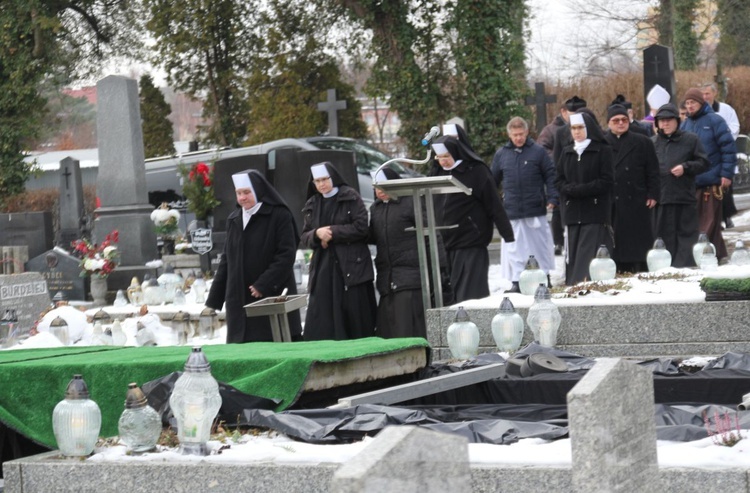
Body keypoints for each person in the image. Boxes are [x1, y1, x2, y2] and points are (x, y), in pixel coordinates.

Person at [206, 170, 302, 343]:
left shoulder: (279, 215)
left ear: (258, 191)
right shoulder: (234, 218)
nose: (242, 198)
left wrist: (264, 284)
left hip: (268, 296)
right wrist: (214, 299)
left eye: (246, 192)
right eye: (238, 193)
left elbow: (286, 255)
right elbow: (227, 260)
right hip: (238, 297)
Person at [430, 135, 514, 302]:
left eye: (446, 156)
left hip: (471, 242)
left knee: (470, 297)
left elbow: (494, 203)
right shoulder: (437, 172)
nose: (443, 161)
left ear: (456, 153)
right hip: (445, 244)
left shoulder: (476, 171)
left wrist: (507, 235)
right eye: (439, 157)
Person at [300, 162, 377, 341]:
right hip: (323, 267)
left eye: (324, 180)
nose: (321, 184)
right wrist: (317, 234)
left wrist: (332, 232)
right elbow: (304, 235)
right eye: (317, 181)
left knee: (354, 318)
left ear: (332, 178)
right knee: (323, 318)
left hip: (350, 266)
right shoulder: (313, 202)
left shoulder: (350, 197)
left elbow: (361, 228)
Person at [368, 168, 449, 338]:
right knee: (388, 330)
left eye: (383, 187)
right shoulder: (376, 209)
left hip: (411, 278)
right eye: (376, 187)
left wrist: (440, 270)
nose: (380, 192)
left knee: (409, 329)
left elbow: (431, 235)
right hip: (387, 279)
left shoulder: (411, 203)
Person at [491, 116, 558, 293]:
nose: (518, 138)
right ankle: (517, 280)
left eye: (521, 134)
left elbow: (550, 175)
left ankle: (544, 276)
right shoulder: (502, 154)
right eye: (515, 135)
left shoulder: (538, 152)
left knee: (539, 246)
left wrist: (552, 197)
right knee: (514, 248)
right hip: (512, 210)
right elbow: (492, 181)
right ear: (509, 135)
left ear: (527, 133)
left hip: (535, 208)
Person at [555, 112, 615, 285]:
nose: (576, 132)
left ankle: (584, 284)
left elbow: (607, 180)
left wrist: (582, 190)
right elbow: (558, 179)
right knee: (573, 252)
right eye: (573, 128)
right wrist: (569, 189)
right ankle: (573, 284)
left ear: (588, 128)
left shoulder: (602, 150)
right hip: (573, 211)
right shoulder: (567, 151)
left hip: (594, 210)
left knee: (587, 252)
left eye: (580, 127)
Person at [681, 88, 737, 262]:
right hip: (693, 181)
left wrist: (726, 174)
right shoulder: (685, 124)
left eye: (693, 102)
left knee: (709, 221)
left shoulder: (715, 120)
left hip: (712, 180)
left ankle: (705, 256)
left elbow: (728, 148)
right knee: (703, 221)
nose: (690, 106)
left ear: (701, 103)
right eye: (687, 103)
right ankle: (718, 254)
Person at [603, 104, 660, 273]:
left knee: (639, 238)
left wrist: (653, 194)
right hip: (613, 199)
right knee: (617, 238)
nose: (620, 123)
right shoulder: (602, 143)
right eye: (616, 120)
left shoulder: (642, 141)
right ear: (609, 123)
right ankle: (619, 266)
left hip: (637, 197)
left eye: (624, 120)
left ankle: (640, 265)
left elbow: (653, 170)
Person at [651, 103, 710, 267]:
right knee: (662, 238)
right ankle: (665, 270)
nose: (665, 124)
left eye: (669, 120)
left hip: (684, 197)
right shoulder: (652, 143)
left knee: (686, 237)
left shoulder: (690, 139)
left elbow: (704, 162)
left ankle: (686, 269)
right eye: (661, 121)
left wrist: (685, 167)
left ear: (677, 121)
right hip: (661, 199)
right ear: (657, 123)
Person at [700, 82, 740, 229]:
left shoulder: (725, 109)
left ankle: (727, 217)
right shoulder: (700, 111)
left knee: (725, 190)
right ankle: (715, 220)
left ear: (714, 93)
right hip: (708, 155)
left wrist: (722, 137)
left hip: (722, 152)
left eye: (708, 93)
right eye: (703, 94)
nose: (705, 97)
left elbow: (734, 127)